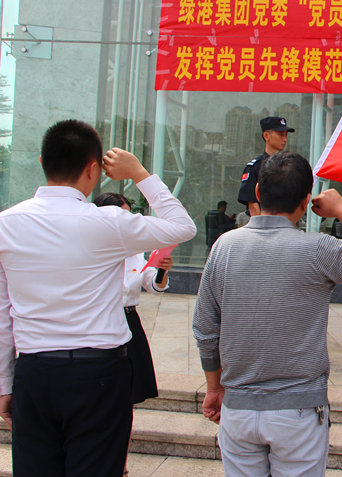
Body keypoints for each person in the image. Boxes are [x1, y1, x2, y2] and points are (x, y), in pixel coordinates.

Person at [0, 119, 196, 477]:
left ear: (43, 161)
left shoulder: (6, 224)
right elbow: (183, 226)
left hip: (33, 371)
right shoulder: (108, 222)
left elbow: (2, 313)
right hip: (98, 373)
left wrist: (3, 382)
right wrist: (138, 173)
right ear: (93, 169)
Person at [193, 151, 342, 477]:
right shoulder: (319, 248)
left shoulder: (224, 247)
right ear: (305, 201)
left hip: (238, 408)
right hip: (299, 411)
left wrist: (215, 388)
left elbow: (205, 330)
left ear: (258, 192)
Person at [94, 192, 175, 476]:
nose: (129, 221)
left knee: (125, 400)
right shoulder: (91, 248)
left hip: (129, 322)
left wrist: (161, 270)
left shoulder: (135, 250)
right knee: (99, 399)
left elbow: (152, 286)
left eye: (131, 215)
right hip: (99, 322)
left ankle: (121, 465)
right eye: (123, 215)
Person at [238, 116, 294, 219]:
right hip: (263, 223)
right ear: (266, 136)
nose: (285, 139)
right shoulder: (255, 167)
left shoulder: (289, 165)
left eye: (286, 135)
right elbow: (253, 205)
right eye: (280, 134)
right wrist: (263, 227)